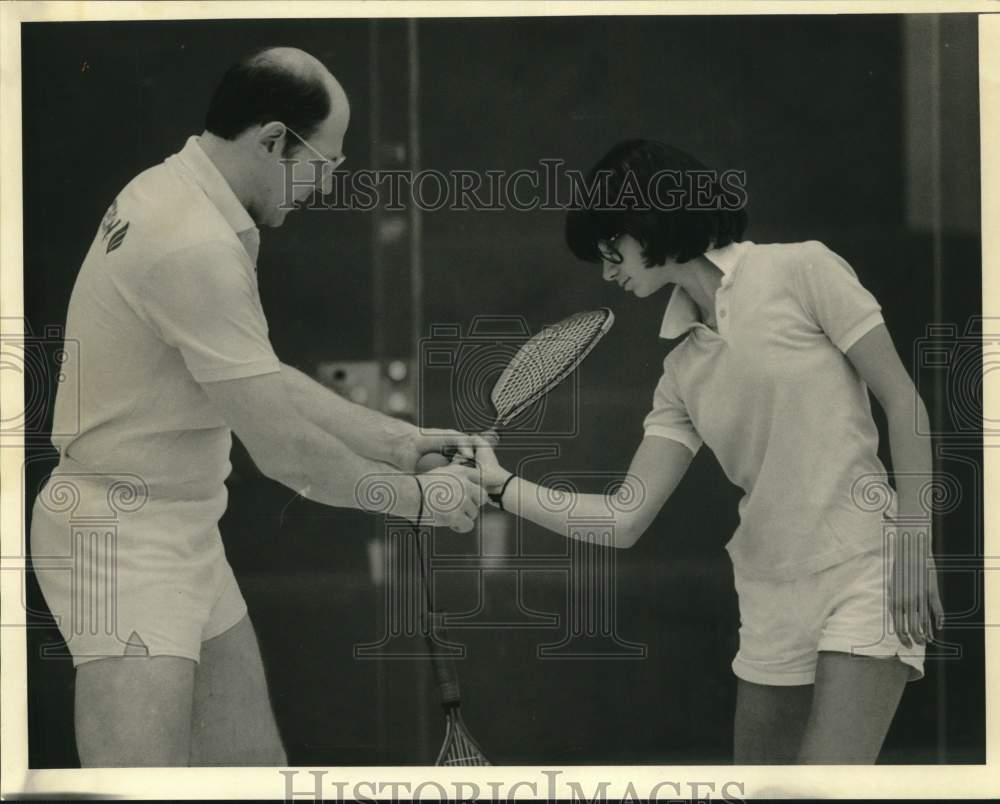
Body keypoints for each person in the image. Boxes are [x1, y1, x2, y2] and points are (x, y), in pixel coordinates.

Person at [30, 47, 484, 767]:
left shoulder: (179, 192)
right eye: (326, 165)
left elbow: (258, 379)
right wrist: (418, 500)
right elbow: (287, 453)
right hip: (118, 543)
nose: (327, 188)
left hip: (184, 528)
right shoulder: (192, 244)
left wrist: (399, 443)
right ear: (273, 140)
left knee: (254, 782)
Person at [470, 139, 944, 764]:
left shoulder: (803, 270)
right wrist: (502, 485)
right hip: (768, 592)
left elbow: (903, 400)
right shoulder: (680, 371)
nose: (608, 270)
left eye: (611, 247)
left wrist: (913, 548)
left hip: (867, 570)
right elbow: (622, 519)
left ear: (647, 219)